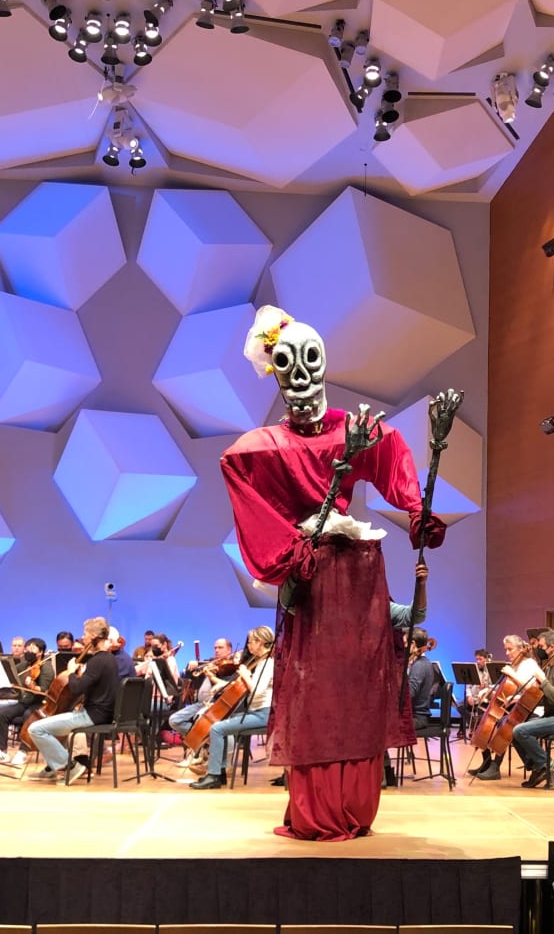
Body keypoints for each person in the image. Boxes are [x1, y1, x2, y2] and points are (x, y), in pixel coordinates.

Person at [222, 306, 445, 841]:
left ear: (323, 365)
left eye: (310, 361)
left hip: (355, 571)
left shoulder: (355, 429)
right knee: (315, 693)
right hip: (313, 575)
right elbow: (235, 466)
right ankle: (320, 804)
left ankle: (351, 803)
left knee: (355, 691)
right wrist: (289, 549)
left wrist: (416, 511)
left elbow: (394, 460)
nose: (300, 377)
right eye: (286, 364)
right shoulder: (263, 446)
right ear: (274, 373)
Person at [24, 617, 118, 784]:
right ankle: (53, 767)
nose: (83, 638)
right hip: (100, 713)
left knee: (35, 729)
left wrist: (72, 671)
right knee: (53, 726)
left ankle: (70, 766)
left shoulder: (98, 661)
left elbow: (76, 688)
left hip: (92, 715)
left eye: (86, 634)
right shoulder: (109, 659)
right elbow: (92, 686)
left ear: (95, 635)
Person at [189, 626, 276, 790]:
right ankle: (219, 772)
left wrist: (245, 674)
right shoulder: (261, 661)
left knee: (216, 728)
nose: (249, 646)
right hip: (256, 712)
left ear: (261, 642)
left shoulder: (268, 663)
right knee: (220, 726)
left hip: (263, 714)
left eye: (251, 642)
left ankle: (214, 775)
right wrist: (223, 684)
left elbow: (257, 692)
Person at [507, 629, 554, 791]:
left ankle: (550, 765)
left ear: (552, 647)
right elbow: (544, 696)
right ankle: (540, 767)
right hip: (552, 715)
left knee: (521, 730)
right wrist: (520, 698)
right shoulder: (550, 667)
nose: (537, 649)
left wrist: (542, 680)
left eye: (541, 646)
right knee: (512, 726)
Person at [470, 634, 543, 781]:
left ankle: (495, 767)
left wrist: (511, 676)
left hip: (533, 709)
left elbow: (530, 689)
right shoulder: (515, 664)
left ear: (520, 649)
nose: (507, 653)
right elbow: (509, 687)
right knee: (482, 720)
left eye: (510, 649)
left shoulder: (529, 663)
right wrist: (488, 690)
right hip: (517, 706)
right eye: (506, 650)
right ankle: (486, 762)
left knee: (503, 724)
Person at [171, 637, 235, 747]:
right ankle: (206, 739)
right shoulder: (209, 662)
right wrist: (190, 666)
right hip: (200, 704)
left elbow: (225, 688)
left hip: (216, 705)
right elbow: (190, 677)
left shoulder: (232, 667)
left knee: (200, 721)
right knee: (174, 720)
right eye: (215, 648)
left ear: (229, 650)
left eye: (220, 647)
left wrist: (212, 675)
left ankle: (200, 747)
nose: (217, 650)